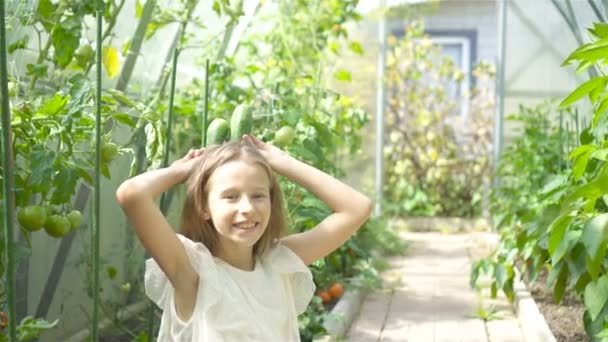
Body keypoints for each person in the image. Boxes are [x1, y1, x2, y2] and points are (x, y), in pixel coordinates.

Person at [115, 134, 373, 341]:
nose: (247, 208)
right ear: (203, 207)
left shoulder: (278, 262)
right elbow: (132, 194)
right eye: (231, 196)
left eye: (259, 195)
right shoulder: (192, 272)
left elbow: (357, 208)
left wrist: (284, 162)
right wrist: (184, 171)